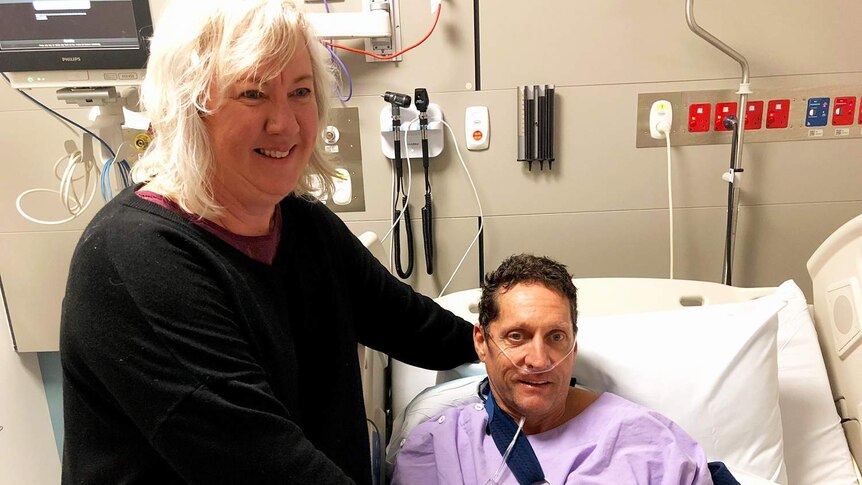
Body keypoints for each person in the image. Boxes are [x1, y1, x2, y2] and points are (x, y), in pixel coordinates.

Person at [59, 1, 476, 483]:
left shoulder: (302, 226)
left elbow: (412, 325)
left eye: (300, 92)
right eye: (253, 94)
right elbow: (265, 466)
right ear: (189, 108)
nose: (285, 124)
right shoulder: (136, 260)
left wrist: (509, 345)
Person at [391, 254, 716, 485]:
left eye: (555, 337)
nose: (539, 360)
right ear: (481, 341)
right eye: (517, 336)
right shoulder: (440, 447)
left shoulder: (651, 443)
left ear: (573, 347)